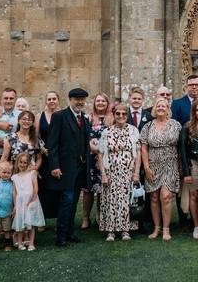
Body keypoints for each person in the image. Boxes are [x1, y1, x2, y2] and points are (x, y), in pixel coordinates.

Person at [47, 87, 91, 247]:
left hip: (80, 169)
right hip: (64, 168)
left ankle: (70, 232)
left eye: (82, 100)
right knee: (66, 201)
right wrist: (54, 166)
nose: (80, 102)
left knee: (73, 204)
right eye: (76, 99)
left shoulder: (84, 118)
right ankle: (61, 236)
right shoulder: (59, 117)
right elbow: (52, 144)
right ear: (70, 100)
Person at [140, 96, 182, 241]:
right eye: (158, 106)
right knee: (153, 197)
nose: (160, 108)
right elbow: (144, 148)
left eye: (163, 106)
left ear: (168, 109)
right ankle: (156, 228)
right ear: (154, 109)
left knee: (166, 196)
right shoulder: (148, 126)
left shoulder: (176, 125)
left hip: (170, 163)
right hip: (152, 165)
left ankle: (166, 229)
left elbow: (180, 146)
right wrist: (146, 167)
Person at [99, 103, 141, 241]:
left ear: (127, 115)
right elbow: (100, 154)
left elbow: (139, 153)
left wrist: (136, 173)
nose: (121, 116)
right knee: (111, 200)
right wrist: (103, 175)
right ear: (114, 114)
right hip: (111, 172)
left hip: (128, 172)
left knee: (126, 201)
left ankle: (125, 230)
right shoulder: (107, 132)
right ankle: (110, 230)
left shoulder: (133, 130)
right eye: (118, 113)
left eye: (124, 114)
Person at [179, 98, 198, 239]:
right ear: (193, 112)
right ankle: (197, 226)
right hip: (195, 165)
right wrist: (186, 172)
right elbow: (183, 151)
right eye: (197, 110)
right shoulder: (187, 127)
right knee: (194, 196)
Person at [82, 93, 111, 229]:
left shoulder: (112, 118)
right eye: (98, 101)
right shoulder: (87, 118)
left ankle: (100, 216)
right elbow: (82, 137)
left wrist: (103, 150)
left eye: (103, 101)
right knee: (88, 190)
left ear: (107, 103)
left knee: (102, 189)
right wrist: (94, 148)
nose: (100, 103)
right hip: (90, 158)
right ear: (94, 103)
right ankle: (86, 217)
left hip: (106, 158)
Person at [11, 152, 45, 250]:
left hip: (30, 200)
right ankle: (20, 243)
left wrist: (32, 200)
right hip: (20, 202)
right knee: (20, 223)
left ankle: (31, 243)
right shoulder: (15, 177)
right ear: (17, 163)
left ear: (28, 163)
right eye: (20, 162)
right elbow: (14, 192)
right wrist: (15, 205)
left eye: (25, 162)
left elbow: (35, 188)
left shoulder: (32, 173)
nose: (22, 164)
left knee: (31, 224)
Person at [36, 90, 61, 222]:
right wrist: (42, 148)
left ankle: (58, 218)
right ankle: (42, 220)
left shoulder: (63, 115)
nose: (52, 101)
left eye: (54, 99)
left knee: (57, 188)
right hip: (44, 157)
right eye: (49, 99)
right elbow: (37, 136)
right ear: (46, 101)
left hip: (59, 157)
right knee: (43, 188)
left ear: (58, 100)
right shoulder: (40, 116)